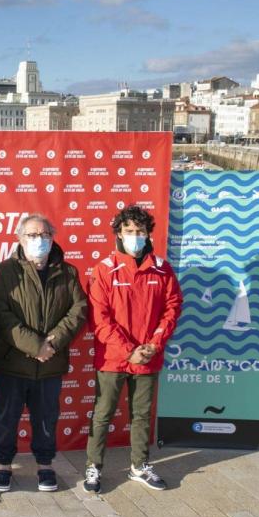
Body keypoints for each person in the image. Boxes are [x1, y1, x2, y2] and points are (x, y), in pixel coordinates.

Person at [83, 205, 182, 494]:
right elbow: (99, 319)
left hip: (149, 357)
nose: (135, 237)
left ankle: (139, 466)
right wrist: (129, 351)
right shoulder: (104, 270)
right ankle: (93, 466)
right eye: (129, 232)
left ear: (148, 233)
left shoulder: (162, 269)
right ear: (118, 233)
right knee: (102, 414)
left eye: (140, 232)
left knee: (141, 415)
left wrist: (154, 344)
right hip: (114, 358)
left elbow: (173, 307)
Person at [0, 214, 87, 493]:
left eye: (44, 235)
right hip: (12, 363)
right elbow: (0, 314)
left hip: (50, 364)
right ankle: (4, 465)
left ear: (52, 238)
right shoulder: (5, 271)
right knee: (6, 417)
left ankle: (45, 465)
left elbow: (78, 310)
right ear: (20, 238)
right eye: (31, 235)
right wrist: (34, 346)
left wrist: (51, 344)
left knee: (46, 418)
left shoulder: (68, 272)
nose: (38, 240)